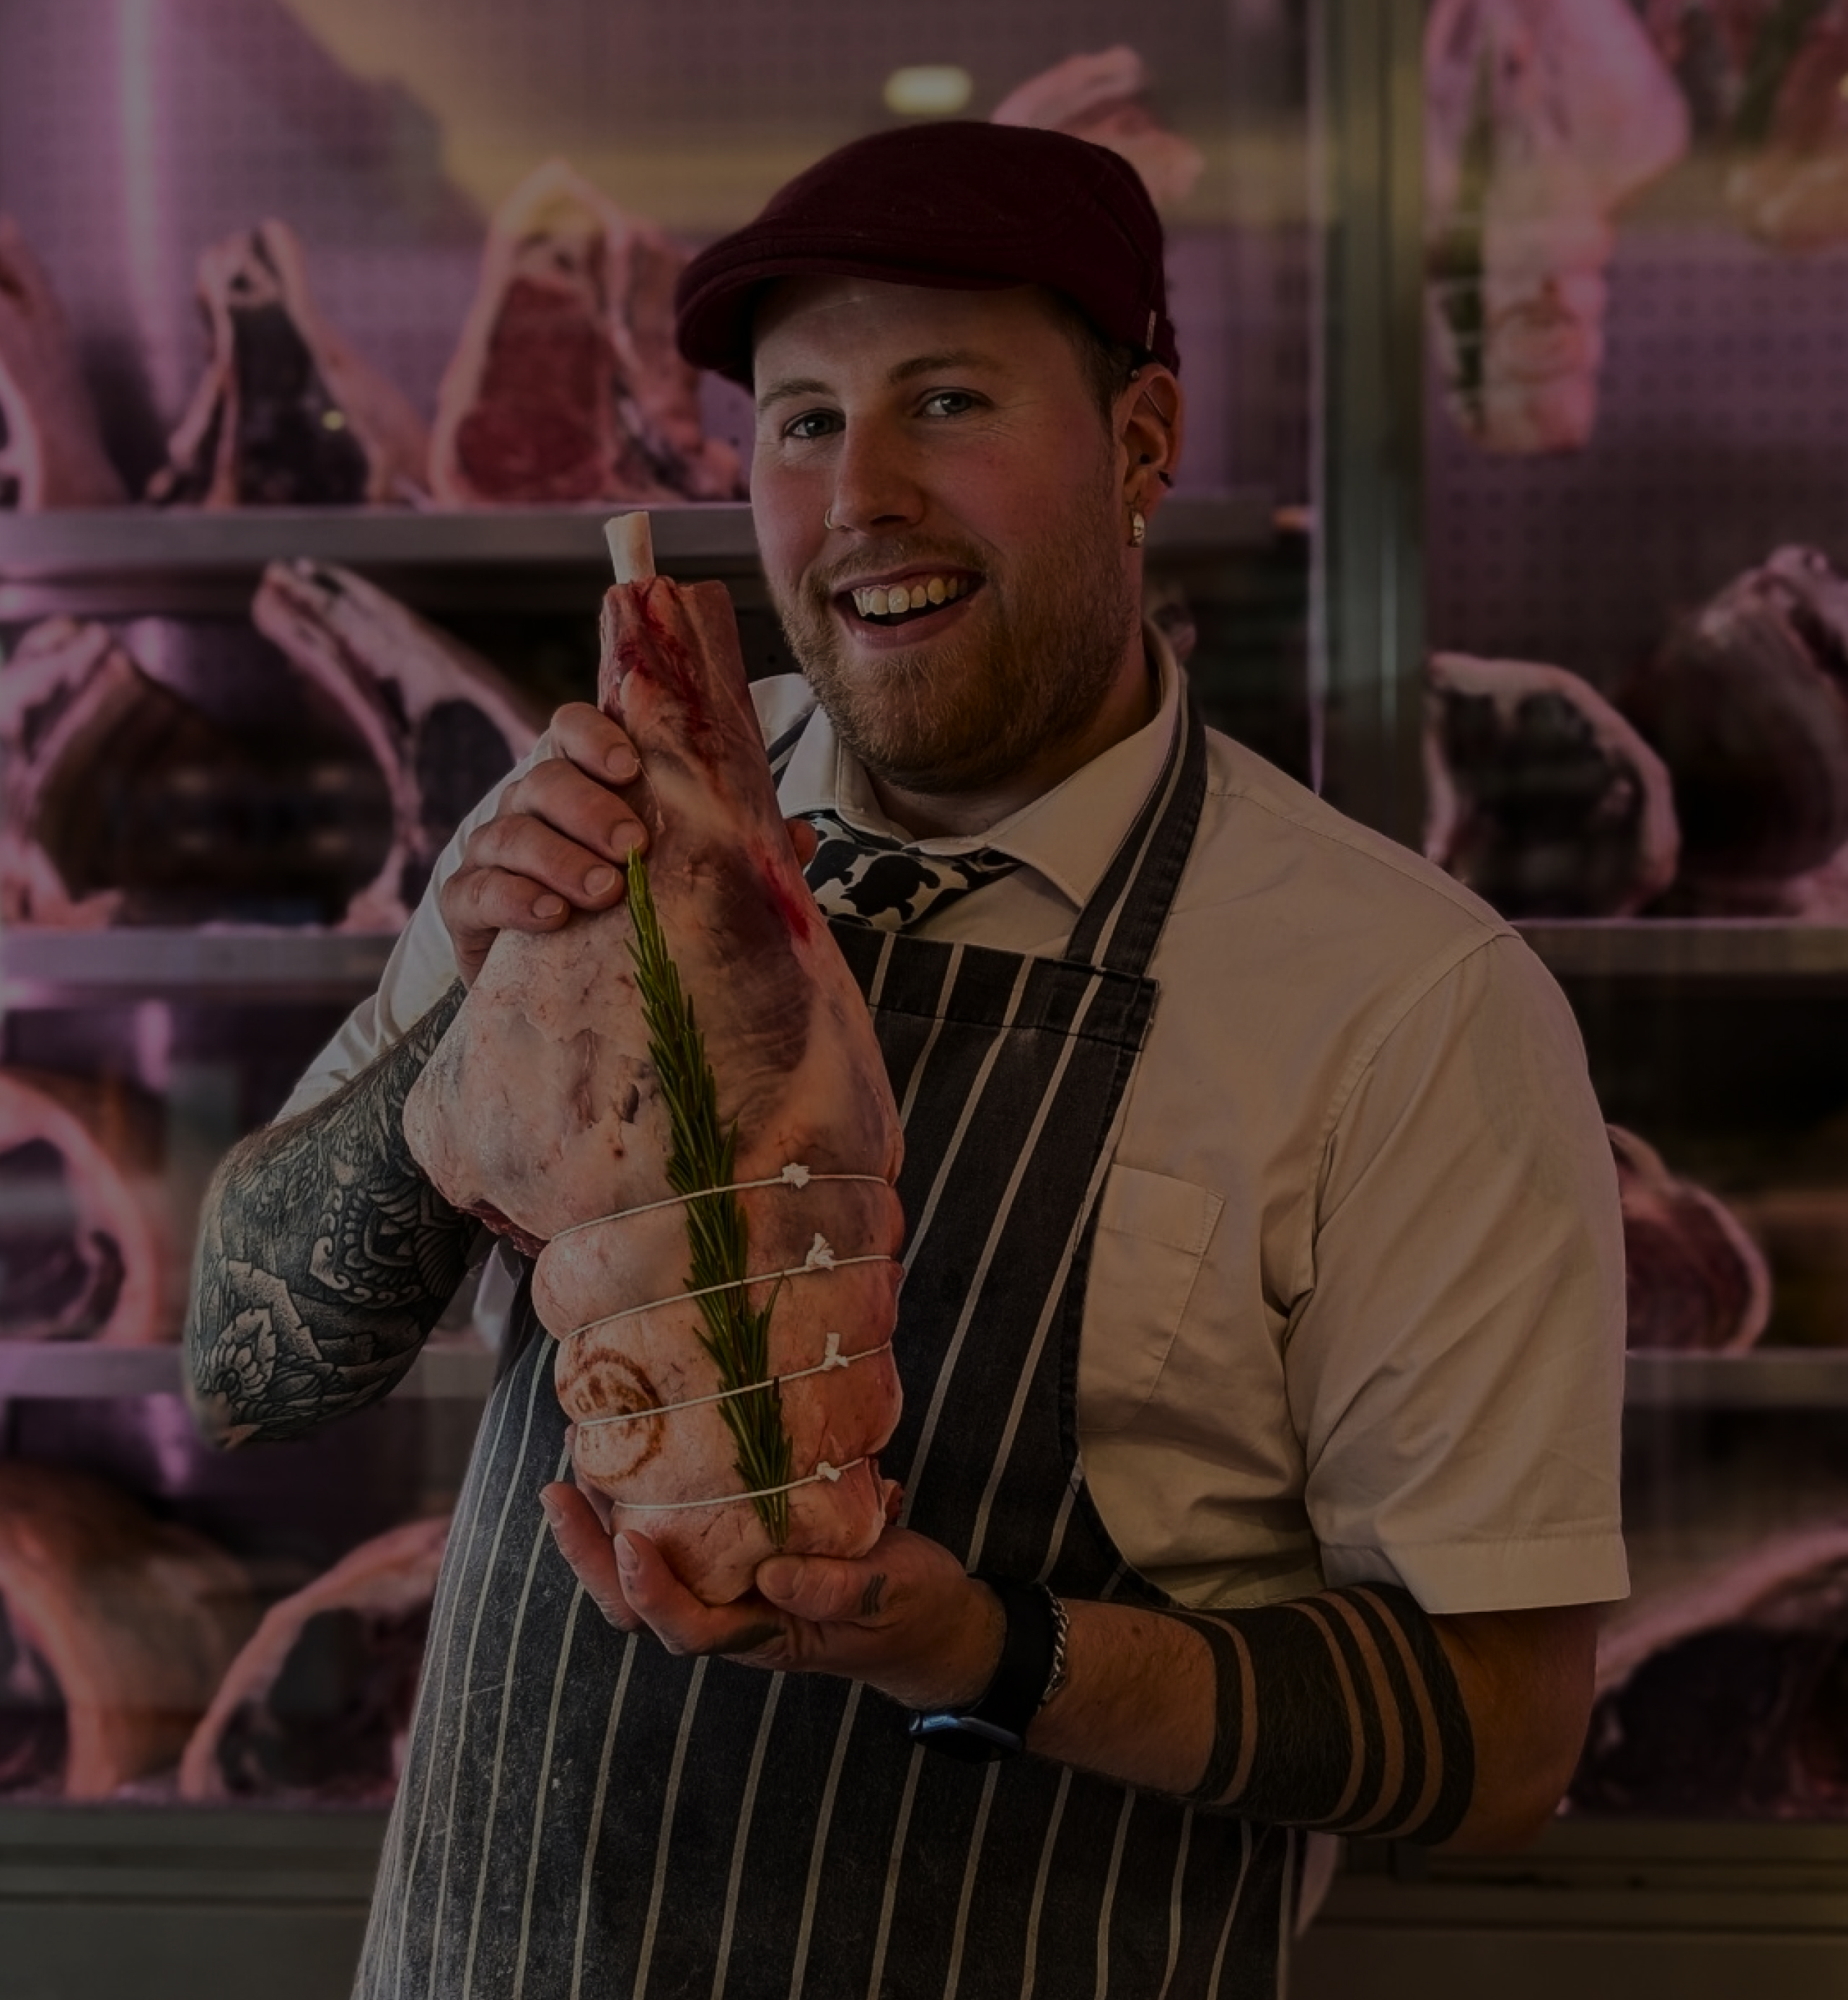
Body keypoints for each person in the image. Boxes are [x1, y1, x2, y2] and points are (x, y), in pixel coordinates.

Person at [185, 122, 1627, 1999]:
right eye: (799, 422)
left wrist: (984, 1652)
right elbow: (244, 1367)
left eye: (945, 402)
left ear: (1138, 445)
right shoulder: (584, 836)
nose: (858, 492)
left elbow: (1507, 1737)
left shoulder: (1399, 1001)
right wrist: (456, 1053)